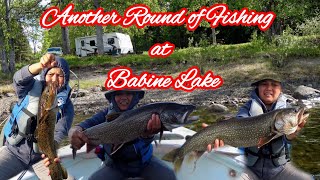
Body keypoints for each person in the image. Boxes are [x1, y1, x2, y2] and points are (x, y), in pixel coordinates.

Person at [206, 76, 313, 180]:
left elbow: (288, 139)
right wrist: (215, 132)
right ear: (258, 87)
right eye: (264, 84)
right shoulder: (246, 109)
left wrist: (291, 135)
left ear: (280, 89)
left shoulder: (286, 109)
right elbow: (239, 122)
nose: (269, 88)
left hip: (280, 169)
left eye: (274, 84)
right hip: (249, 169)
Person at [68, 89, 177, 180]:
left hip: (145, 163)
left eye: (128, 93)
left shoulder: (146, 114)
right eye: (119, 94)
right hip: (115, 166)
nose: (124, 98)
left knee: (170, 176)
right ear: (112, 97)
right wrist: (74, 131)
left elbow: (144, 143)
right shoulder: (104, 115)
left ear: (135, 96)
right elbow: (84, 125)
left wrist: (148, 135)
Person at [0, 54, 74, 179]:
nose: (54, 79)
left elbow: (60, 131)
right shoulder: (28, 88)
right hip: (14, 152)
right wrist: (40, 65)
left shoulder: (66, 105)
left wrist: (51, 155)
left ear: (65, 79)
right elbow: (18, 78)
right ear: (44, 75)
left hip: (41, 158)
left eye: (60, 75)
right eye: (51, 74)